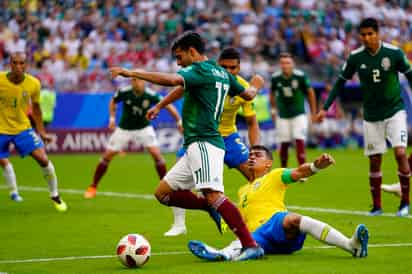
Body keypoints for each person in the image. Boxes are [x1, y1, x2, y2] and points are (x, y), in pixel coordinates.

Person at [109, 31, 265, 261]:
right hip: (195, 144)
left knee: (214, 194)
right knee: (162, 193)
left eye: (179, 56)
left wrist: (132, 73)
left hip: (205, 141)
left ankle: (250, 245)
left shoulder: (200, 70)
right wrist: (256, 84)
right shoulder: (220, 72)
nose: (178, 62)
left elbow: (173, 80)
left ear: (192, 51)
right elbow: (249, 94)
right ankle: (208, 207)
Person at [188, 145, 369, 261]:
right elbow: (235, 220)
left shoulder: (275, 175)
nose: (251, 157)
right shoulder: (242, 190)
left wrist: (315, 167)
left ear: (268, 163)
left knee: (293, 219)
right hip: (259, 238)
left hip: (277, 225)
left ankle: (351, 246)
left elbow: (298, 172)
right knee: (246, 240)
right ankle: (224, 254)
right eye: (250, 155)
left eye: (257, 155)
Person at [316, 18, 412, 217]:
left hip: (395, 111)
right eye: (363, 35)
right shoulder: (355, 57)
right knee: (375, 160)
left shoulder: (394, 53)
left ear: (378, 34)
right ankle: (377, 207)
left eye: (370, 34)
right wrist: (325, 108)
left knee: (401, 153)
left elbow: (410, 76)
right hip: (371, 116)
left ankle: (404, 203)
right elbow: (340, 83)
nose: (367, 38)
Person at [164, 47, 261, 237]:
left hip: (229, 137)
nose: (228, 71)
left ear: (239, 68)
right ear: (218, 65)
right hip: (203, 136)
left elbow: (252, 122)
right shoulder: (210, 78)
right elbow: (183, 89)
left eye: (233, 68)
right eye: (224, 67)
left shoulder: (241, 86)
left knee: (256, 176)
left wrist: (255, 149)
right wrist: (170, 110)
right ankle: (179, 224)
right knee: (177, 180)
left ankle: (263, 218)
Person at [84, 78, 182, 198]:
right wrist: (112, 118)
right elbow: (113, 101)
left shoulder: (150, 94)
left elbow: (168, 105)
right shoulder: (124, 92)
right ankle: (93, 186)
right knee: (107, 156)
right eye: (135, 80)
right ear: (132, 82)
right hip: (125, 128)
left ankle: (166, 187)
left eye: (140, 81)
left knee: (157, 155)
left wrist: (178, 121)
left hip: (143, 128)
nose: (139, 83)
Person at [0, 52, 67, 211]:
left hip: (22, 129)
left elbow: (36, 109)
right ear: (10, 64)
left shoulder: (34, 83)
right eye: (15, 63)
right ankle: (14, 192)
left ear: (26, 65)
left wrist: (42, 132)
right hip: (1, 129)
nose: (18, 67)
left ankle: (55, 195)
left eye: (21, 63)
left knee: (43, 159)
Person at [270, 52, 317, 168]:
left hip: (299, 114)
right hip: (283, 114)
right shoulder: (275, 77)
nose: (285, 65)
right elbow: (272, 93)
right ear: (280, 65)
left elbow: (310, 93)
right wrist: (273, 109)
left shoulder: (300, 76)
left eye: (288, 63)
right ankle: (283, 170)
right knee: (284, 143)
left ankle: (302, 171)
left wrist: (313, 112)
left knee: (299, 140)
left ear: (293, 64)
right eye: (283, 63)